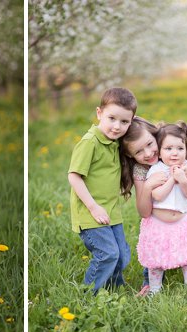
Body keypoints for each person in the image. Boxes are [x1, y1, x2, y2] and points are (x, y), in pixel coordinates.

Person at [119, 116, 187, 296]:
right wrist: (149, 186)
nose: (148, 154)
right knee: (156, 233)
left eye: (150, 144)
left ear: (155, 137)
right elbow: (145, 212)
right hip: (167, 182)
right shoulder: (145, 167)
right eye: (139, 152)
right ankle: (151, 283)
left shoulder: (174, 141)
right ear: (130, 155)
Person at [68, 87, 136, 294]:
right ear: (99, 113)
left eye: (124, 122)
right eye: (111, 118)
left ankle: (114, 291)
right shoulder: (90, 142)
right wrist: (93, 207)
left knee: (122, 255)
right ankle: (88, 295)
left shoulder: (115, 142)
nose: (117, 127)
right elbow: (74, 176)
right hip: (91, 213)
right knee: (107, 254)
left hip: (112, 212)